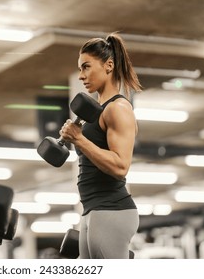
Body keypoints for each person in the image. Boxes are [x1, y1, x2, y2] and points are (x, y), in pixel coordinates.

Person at [59, 32, 142, 259]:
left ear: (109, 65)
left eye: (86, 67)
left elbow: (120, 166)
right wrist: (74, 138)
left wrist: (80, 140)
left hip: (111, 210)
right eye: (79, 69)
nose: (81, 75)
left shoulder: (118, 108)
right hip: (93, 209)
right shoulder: (95, 111)